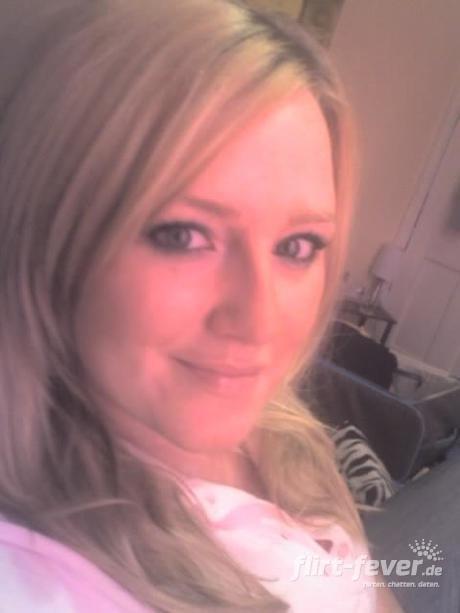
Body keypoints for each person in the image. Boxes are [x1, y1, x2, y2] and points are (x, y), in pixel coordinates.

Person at [0, 0, 402, 611]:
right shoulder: (39, 575)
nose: (260, 322)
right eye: (183, 235)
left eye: (297, 246)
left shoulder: (280, 427)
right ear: (49, 241)